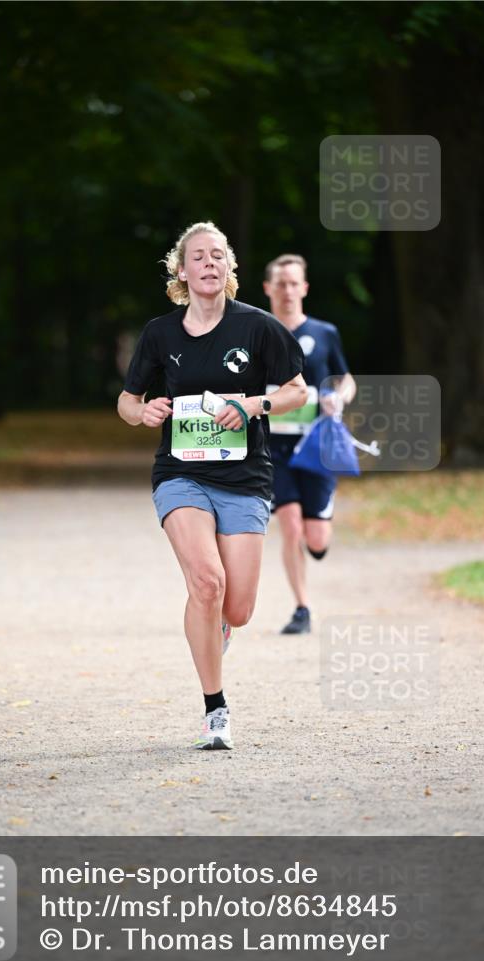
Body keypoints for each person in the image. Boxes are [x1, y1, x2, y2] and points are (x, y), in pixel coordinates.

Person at [118, 223, 307, 750]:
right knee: (206, 581)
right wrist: (143, 411)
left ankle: (217, 626)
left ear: (229, 269)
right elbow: (126, 400)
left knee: (238, 608)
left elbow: (297, 391)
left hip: (246, 478)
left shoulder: (259, 328)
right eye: (197, 257)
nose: (208, 263)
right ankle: (215, 710)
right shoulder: (160, 333)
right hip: (181, 474)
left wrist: (253, 405)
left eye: (218, 255)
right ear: (181, 271)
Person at [263, 253, 356, 635]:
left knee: (315, 538)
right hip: (273, 448)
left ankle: (318, 540)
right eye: (279, 283)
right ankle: (302, 607)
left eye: (293, 283)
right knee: (290, 526)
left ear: (304, 288)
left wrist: (340, 397)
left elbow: (345, 379)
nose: (287, 290)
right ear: (268, 288)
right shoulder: (256, 332)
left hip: (317, 446)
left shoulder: (324, 332)